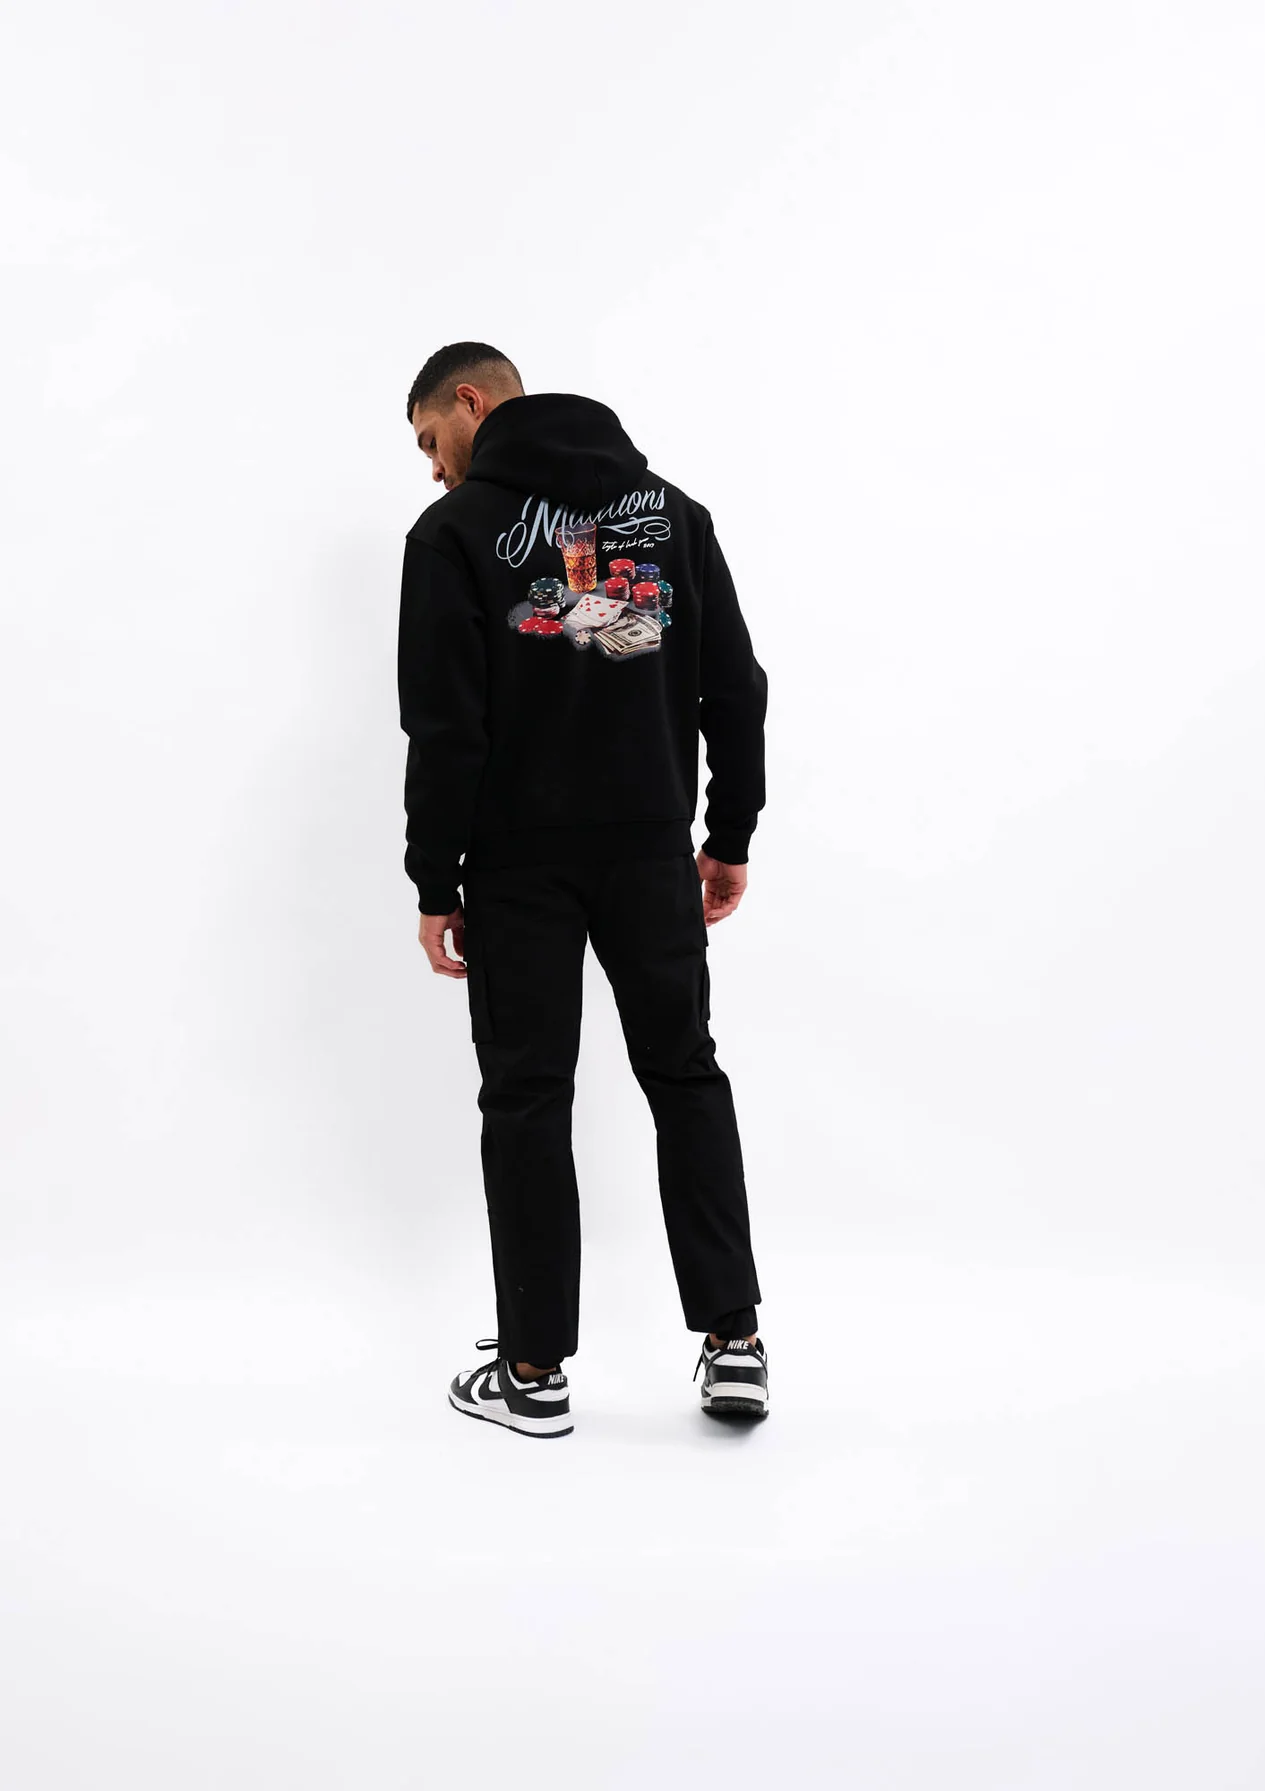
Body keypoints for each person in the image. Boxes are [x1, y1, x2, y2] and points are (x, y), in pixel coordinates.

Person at [398, 341, 770, 1439]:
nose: (433, 467)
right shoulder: (674, 514)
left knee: (526, 1096)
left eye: (430, 439)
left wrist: (434, 878)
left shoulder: (452, 533)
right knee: (684, 1075)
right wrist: (726, 834)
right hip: (652, 850)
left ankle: (534, 1370)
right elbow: (734, 687)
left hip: (517, 865)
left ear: (471, 402)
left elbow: (445, 726)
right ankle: (735, 1344)